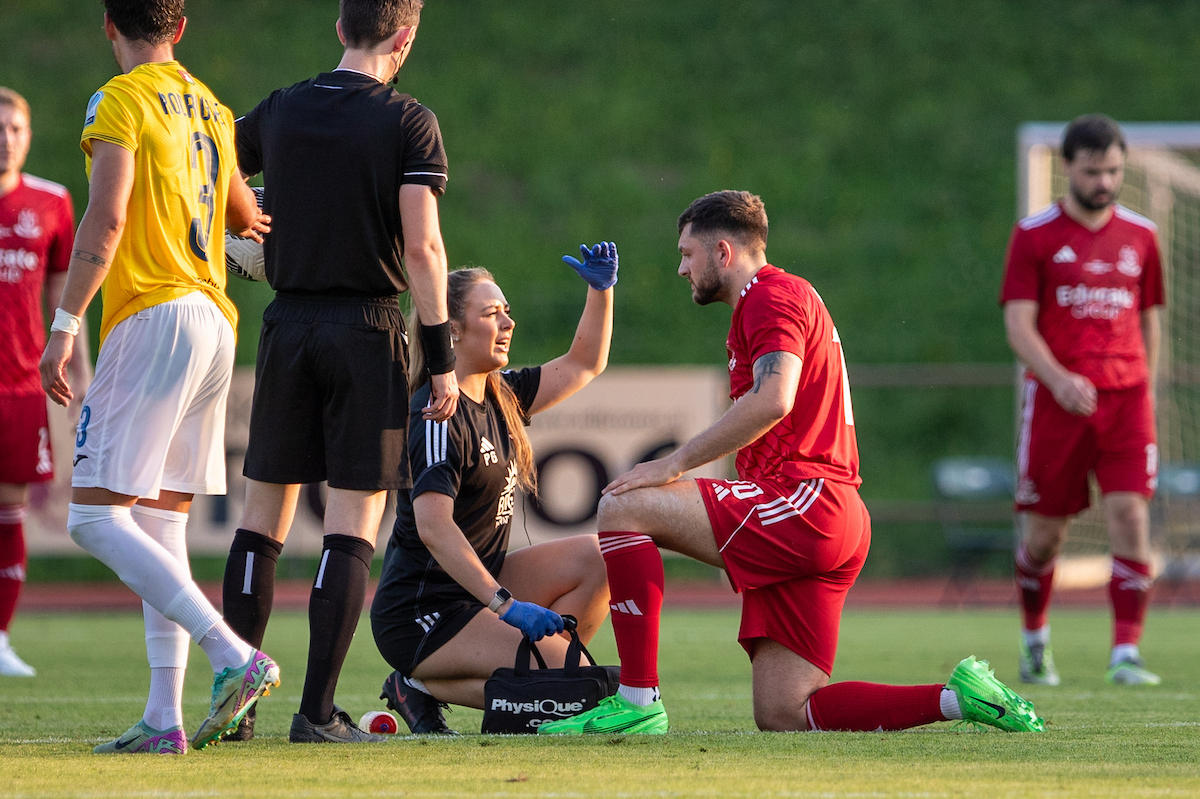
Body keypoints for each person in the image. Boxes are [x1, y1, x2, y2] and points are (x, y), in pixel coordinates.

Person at [538, 191, 1044, 736]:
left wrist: (676, 463)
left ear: (724, 253)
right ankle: (959, 699)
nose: (681, 267)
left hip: (803, 502)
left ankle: (637, 702)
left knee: (623, 506)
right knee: (784, 711)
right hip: (832, 514)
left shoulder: (769, 296)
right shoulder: (779, 297)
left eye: (687, 253)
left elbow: (774, 397)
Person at [219, 0, 460, 744]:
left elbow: (213, 162)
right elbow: (422, 250)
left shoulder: (284, 107)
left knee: (262, 520)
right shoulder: (408, 121)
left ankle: (239, 708)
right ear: (406, 36)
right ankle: (317, 715)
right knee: (351, 525)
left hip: (286, 323)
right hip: (365, 326)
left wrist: (243, 225)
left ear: (338, 29)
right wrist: (443, 359)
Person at [39, 0, 276, 754]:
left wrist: (65, 325)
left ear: (109, 25)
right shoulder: (212, 105)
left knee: (92, 516)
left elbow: (105, 220)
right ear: (182, 28)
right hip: (214, 321)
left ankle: (233, 653)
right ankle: (162, 718)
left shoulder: (120, 99)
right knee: (160, 523)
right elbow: (246, 215)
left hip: (152, 312)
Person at [371, 249, 616, 733]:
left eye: (505, 311)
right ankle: (417, 683)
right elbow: (435, 528)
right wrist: (505, 606)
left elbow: (585, 362)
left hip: (477, 590)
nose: (508, 321)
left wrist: (600, 290)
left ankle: (549, 673)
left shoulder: (501, 391)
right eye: (491, 313)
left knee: (598, 559)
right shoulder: (438, 412)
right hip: (424, 612)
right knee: (578, 692)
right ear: (453, 330)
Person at [1000, 114, 1164, 687]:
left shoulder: (1141, 236)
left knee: (1130, 516)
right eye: (1094, 171)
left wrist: (1146, 382)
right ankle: (1035, 641)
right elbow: (1019, 326)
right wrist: (1058, 378)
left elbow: (1149, 320)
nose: (1105, 181)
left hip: (1126, 402)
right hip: (1055, 404)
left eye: (1114, 170)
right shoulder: (1035, 235)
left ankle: (1126, 653)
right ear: (1068, 167)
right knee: (1045, 538)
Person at [0, 87, 91, 678]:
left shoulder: (52, 202)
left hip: (18, 385)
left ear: (28, 136)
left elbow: (63, 294)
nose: (4, 137)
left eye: (14, 128)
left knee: (10, 511)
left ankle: (0, 638)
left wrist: (80, 365)